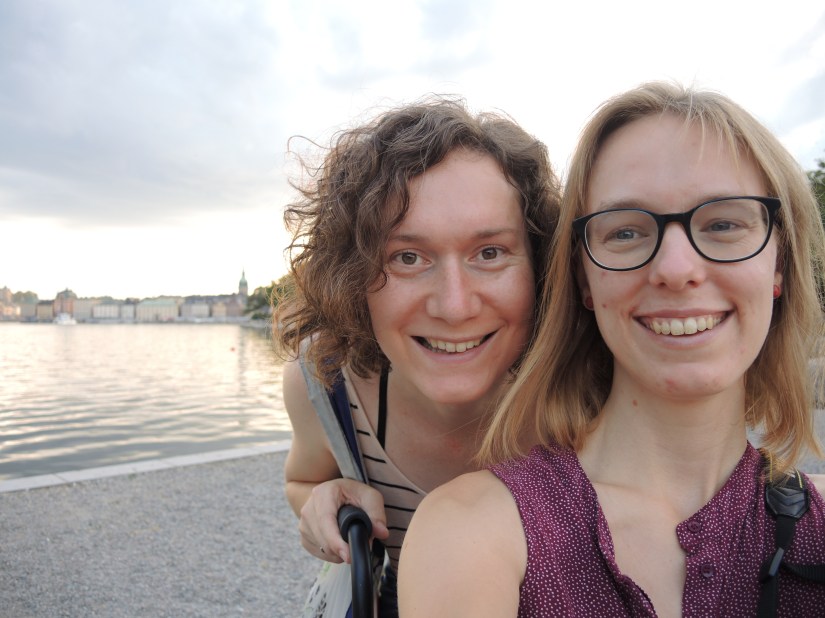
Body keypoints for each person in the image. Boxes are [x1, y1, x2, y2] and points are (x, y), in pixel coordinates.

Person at [399, 82, 825, 616]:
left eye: (722, 223)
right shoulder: (475, 533)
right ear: (584, 278)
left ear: (778, 263)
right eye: (626, 232)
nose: (675, 269)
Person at [276, 95, 561, 614]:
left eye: (490, 253)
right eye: (408, 257)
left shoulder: (588, 387)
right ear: (354, 277)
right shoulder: (324, 384)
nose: (454, 305)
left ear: (541, 263)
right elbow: (302, 480)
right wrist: (324, 504)